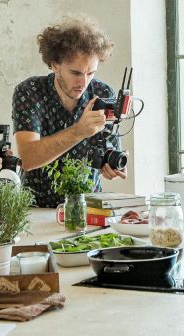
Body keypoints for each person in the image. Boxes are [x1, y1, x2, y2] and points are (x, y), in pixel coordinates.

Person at [12, 15, 127, 207]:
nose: (83, 82)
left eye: (91, 73)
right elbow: (27, 158)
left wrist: (111, 166)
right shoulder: (30, 91)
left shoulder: (102, 93)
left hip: (87, 208)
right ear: (55, 64)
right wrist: (79, 131)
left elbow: (108, 150)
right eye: (75, 73)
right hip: (37, 209)